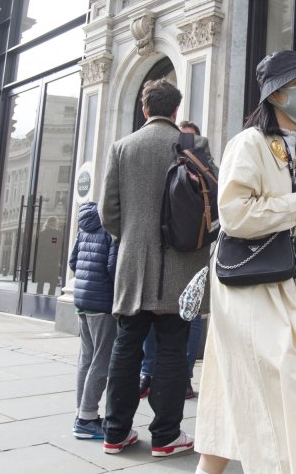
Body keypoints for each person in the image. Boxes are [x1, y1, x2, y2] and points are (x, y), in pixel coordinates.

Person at [194, 50, 296, 474]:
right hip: (250, 285)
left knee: (239, 394)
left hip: (282, 279)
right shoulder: (247, 143)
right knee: (290, 388)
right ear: (277, 94)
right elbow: (235, 215)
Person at [99, 78, 210, 458]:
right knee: (173, 349)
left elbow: (107, 213)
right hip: (180, 264)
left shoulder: (121, 148)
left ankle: (115, 432)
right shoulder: (192, 146)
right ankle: (165, 436)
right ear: (176, 111)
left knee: (126, 346)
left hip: (133, 264)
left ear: (144, 109)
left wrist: (131, 236)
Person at [138, 118, 208, 402]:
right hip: (161, 251)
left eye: (190, 137)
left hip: (192, 251)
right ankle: (148, 373)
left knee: (191, 319)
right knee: (155, 318)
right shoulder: (166, 157)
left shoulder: (202, 161)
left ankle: (184, 377)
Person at [68, 201, 118, 440]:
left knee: (86, 358)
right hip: (102, 303)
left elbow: (73, 262)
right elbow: (112, 267)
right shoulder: (109, 226)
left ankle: (81, 412)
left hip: (81, 300)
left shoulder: (83, 226)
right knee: (101, 360)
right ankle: (87, 419)